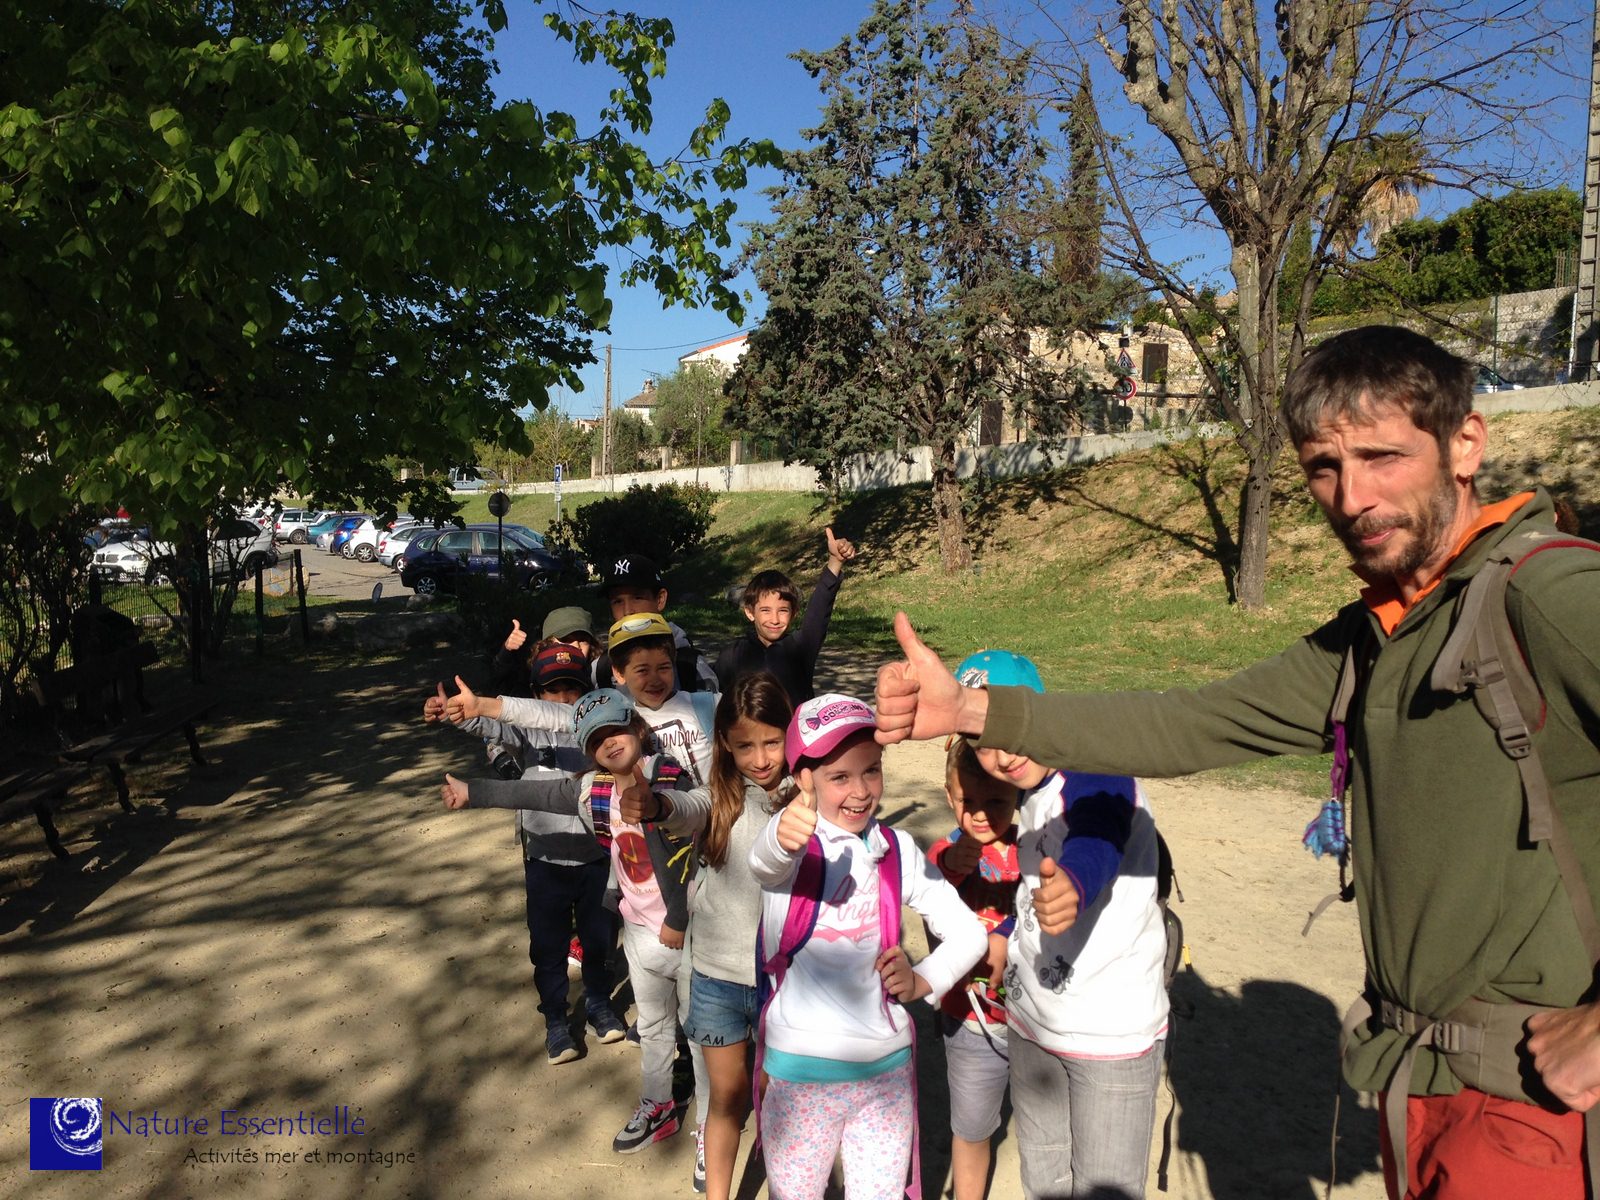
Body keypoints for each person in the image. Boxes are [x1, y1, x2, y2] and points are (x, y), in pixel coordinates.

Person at [874, 324, 1600, 1200]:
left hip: (1530, 1104)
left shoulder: (1546, 596)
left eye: (1382, 456)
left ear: (1465, 443)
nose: (1353, 497)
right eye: (1324, 468)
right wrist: (973, 713)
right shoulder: (1375, 635)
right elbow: (1192, 723)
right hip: (1421, 1083)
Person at [749, 693, 987, 1200]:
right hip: (800, 1079)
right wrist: (782, 837)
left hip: (885, 1077)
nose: (861, 791)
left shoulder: (896, 850)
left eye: (872, 771)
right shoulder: (793, 844)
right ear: (804, 779)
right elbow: (764, 864)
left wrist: (924, 979)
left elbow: (969, 932)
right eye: (840, 776)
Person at [441, 689, 699, 1154]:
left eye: (616, 729)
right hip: (639, 930)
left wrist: (679, 919)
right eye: (596, 738)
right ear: (586, 750)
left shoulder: (669, 777)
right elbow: (532, 792)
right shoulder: (592, 790)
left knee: (700, 1030)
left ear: (637, 728)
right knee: (654, 1026)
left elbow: (692, 849)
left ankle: (712, 1122)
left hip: (688, 933)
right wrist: (471, 791)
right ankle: (658, 1105)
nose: (609, 742)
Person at [956, 649, 1169, 1200]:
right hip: (1033, 1024)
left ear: (1040, 711)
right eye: (982, 742)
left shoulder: (1095, 765)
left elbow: (1097, 829)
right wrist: (1005, 937)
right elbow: (1029, 890)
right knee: (1044, 1179)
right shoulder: (1029, 790)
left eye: (1009, 729)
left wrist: (1075, 881)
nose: (1001, 756)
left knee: (1104, 1188)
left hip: (1109, 1038)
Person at [618, 671, 795, 1199]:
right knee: (726, 1099)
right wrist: (656, 806)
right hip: (717, 980)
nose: (760, 758)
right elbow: (685, 808)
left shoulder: (807, 800)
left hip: (782, 985)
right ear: (725, 744)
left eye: (772, 742)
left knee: (774, 1099)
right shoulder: (718, 796)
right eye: (745, 745)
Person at [424, 641, 618, 1064]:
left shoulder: (600, 733)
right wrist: (456, 711)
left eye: (572, 688)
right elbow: (488, 725)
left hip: (597, 858)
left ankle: (600, 1005)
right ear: (535, 694)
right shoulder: (526, 729)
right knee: (547, 945)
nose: (563, 698)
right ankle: (556, 1019)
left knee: (598, 939)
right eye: (553, 690)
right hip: (544, 860)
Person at [449, 612, 717, 786]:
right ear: (618, 673)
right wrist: (481, 705)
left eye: (664, 667)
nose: (654, 679)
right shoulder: (616, 713)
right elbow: (545, 714)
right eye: (642, 671)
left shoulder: (707, 706)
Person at [928, 732, 1021, 1200]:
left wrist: (1005, 933)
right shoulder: (941, 855)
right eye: (968, 802)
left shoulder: (1033, 848)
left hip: (1030, 1015)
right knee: (972, 1128)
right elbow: (928, 891)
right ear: (950, 797)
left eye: (997, 801)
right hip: (969, 1018)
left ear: (1019, 795)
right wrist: (952, 865)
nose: (981, 814)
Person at [714, 527, 858, 705]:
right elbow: (717, 703)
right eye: (765, 610)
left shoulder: (800, 647)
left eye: (783, 610)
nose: (775, 620)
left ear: (794, 613)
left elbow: (819, 610)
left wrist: (835, 562)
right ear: (750, 613)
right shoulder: (732, 655)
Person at [593, 553, 718, 693]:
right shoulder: (601, 670)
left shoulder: (690, 667)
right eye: (617, 601)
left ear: (660, 599)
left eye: (637, 598)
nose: (628, 611)